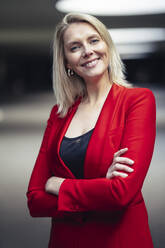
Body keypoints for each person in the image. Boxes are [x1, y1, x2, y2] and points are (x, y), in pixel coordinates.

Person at [26, 12, 156, 248]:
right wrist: (100, 189)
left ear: (106, 45)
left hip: (119, 239)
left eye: (93, 40)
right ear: (67, 62)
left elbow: (122, 192)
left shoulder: (137, 101)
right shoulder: (59, 114)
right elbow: (35, 200)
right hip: (66, 241)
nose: (87, 50)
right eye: (75, 47)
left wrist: (60, 185)